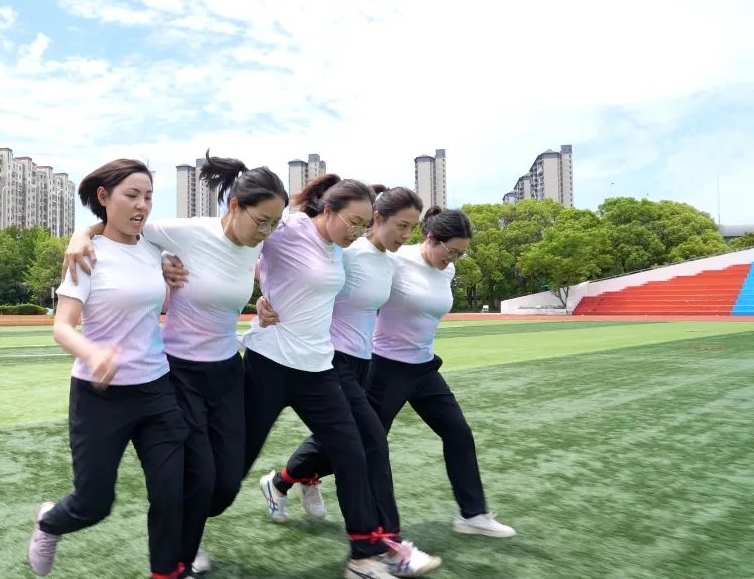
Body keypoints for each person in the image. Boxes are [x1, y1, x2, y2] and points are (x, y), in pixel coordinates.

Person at [62, 150, 289, 576]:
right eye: (261, 222)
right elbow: (122, 227)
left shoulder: (259, 240)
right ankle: (179, 556)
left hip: (228, 370)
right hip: (180, 371)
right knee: (198, 475)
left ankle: (192, 524)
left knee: (225, 484)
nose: (267, 232)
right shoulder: (188, 232)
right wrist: (80, 234)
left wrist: (264, 299)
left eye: (274, 224)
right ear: (235, 206)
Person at [257, 186, 441, 577]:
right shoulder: (347, 251)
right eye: (401, 225)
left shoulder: (389, 263)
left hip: (363, 364)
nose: (406, 235)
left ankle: (285, 482)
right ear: (378, 219)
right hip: (330, 361)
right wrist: (263, 298)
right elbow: (287, 269)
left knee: (346, 445)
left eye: (412, 228)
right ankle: (387, 545)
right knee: (371, 444)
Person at [27, 159, 189, 579]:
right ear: (104, 197)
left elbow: (158, 305)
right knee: (94, 504)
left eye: (148, 197)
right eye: (131, 195)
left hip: (156, 389)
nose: (142, 205)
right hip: (99, 397)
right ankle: (50, 522)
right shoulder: (86, 254)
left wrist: (170, 282)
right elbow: (62, 328)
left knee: (172, 492)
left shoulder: (155, 252)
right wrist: (94, 355)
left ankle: (165, 572)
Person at [367, 207, 516, 538]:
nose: (455, 259)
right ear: (432, 238)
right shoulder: (395, 260)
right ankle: (285, 479)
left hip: (423, 369)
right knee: (363, 441)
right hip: (385, 368)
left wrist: (451, 260)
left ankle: (472, 514)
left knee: (458, 433)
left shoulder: (446, 270)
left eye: (462, 254)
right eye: (452, 251)